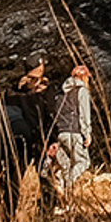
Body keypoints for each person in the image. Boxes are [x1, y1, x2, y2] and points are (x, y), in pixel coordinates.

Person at [43, 59, 94, 207]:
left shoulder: (61, 94)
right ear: (84, 77)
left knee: (65, 164)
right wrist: (87, 134)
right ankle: (67, 185)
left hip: (61, 133)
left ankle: (63, 197)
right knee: (83, 162)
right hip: (75, 133)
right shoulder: (82, 91)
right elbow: (85, 114)